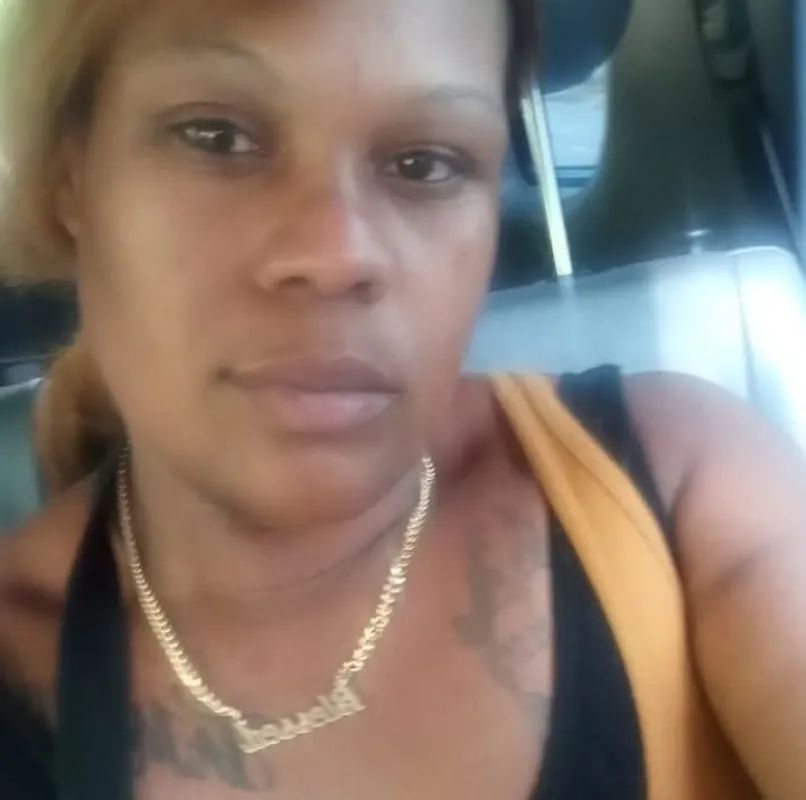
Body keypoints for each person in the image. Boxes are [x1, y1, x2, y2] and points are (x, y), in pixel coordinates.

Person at [0, 0, 804, 797]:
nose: (337, 254)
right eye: (218, 137)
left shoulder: (678, 486)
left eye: (425, 163)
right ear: (71, 178)